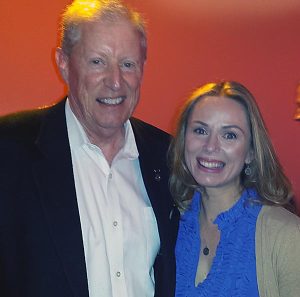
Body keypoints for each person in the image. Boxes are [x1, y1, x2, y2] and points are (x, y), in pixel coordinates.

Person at [0, 1, 179, 297]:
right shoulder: (10, 151)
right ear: (64, 63)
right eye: (97, 61)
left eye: (128, 64)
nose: (115, 81)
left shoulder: (168, 156)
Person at [168, 81, 300, 297]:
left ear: (250, 152)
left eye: (229, 135)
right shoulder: (167, 224)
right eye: (200, 130)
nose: (211, 146)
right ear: (184, 142)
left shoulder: (288, 236)